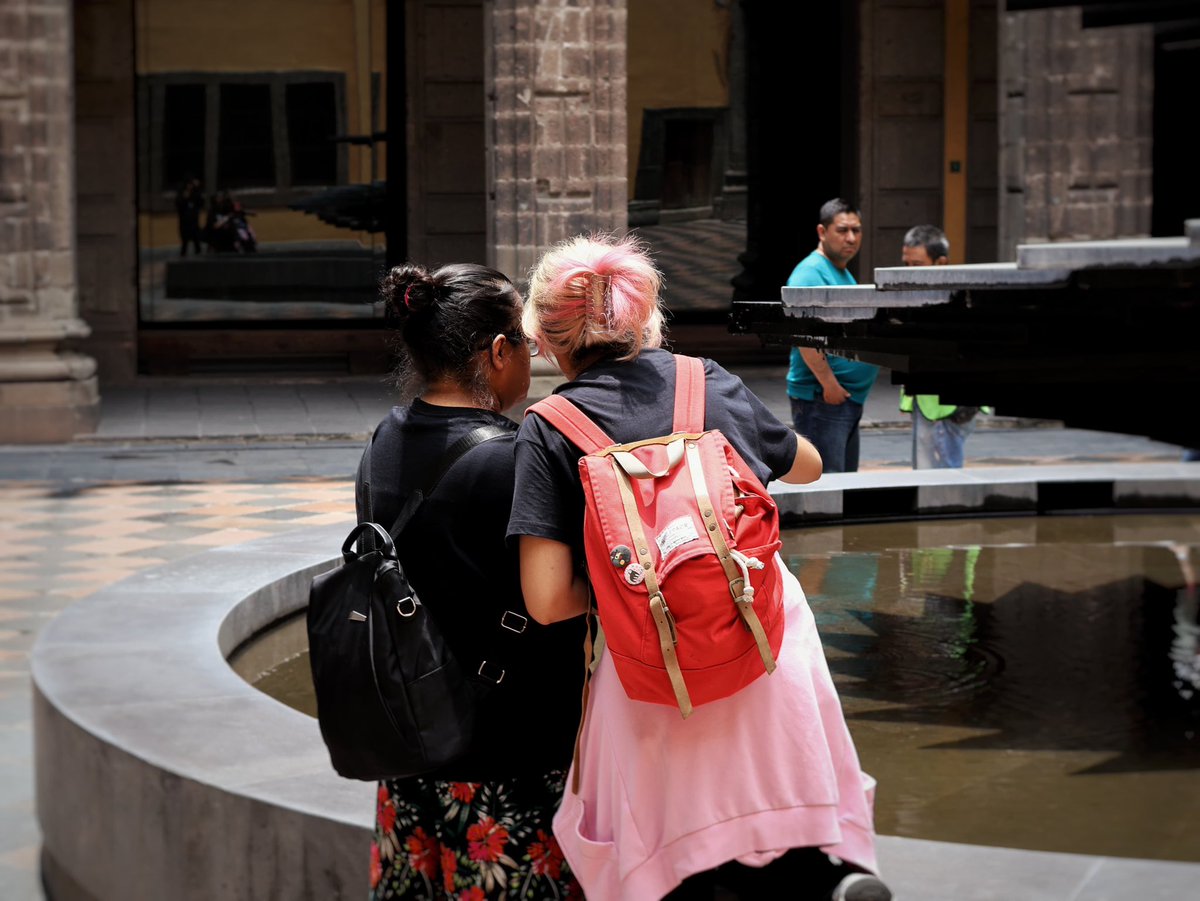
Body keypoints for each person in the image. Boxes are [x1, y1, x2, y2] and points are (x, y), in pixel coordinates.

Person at [509, 234, 891, 901]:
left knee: (679, 860)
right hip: (762, 639)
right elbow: (808, 465)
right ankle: (828, 881)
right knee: (783, 818)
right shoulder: (703, 379)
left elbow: (544, 600)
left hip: (651, 668)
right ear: (644, 316)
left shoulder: (549, 427)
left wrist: (640, 584)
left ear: (547, 338)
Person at [359, 262, 585, 900]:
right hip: (505, 755)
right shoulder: (514, 460)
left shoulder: (385, 437)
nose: (532, 354)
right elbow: (553, 600)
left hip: (412, 738)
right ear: (495, 352)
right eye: (524, 339)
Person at [786, 199, 878, 473]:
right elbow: (802, 333)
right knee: (828, 486)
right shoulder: (810, 273)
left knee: (844, 484)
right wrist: (829, 385)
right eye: (842, 230)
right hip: (822, 398)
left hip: (840, 400)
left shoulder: (840, 272)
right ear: (822, 232)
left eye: (856, 230)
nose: (851, 238)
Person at [897, 225, 982, 469]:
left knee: (941, 478)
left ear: (940, 262)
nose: (909, 273)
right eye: (906, 264)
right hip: (927, 404)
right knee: (928, 472)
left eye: (917, 265)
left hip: (948, 409)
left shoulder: (957, 302)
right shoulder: (918, 297)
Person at [174, 176, 204, 256]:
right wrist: (184, 198)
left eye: (191, 184)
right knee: (185, 243)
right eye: (189, 184)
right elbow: (178, 204)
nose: (190, 186)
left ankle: (199, 257)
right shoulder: (182, 193)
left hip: (194, 222)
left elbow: (200, 202)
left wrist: (197, 188)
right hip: (184, 223)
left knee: (197, 243)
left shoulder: (195, 193)